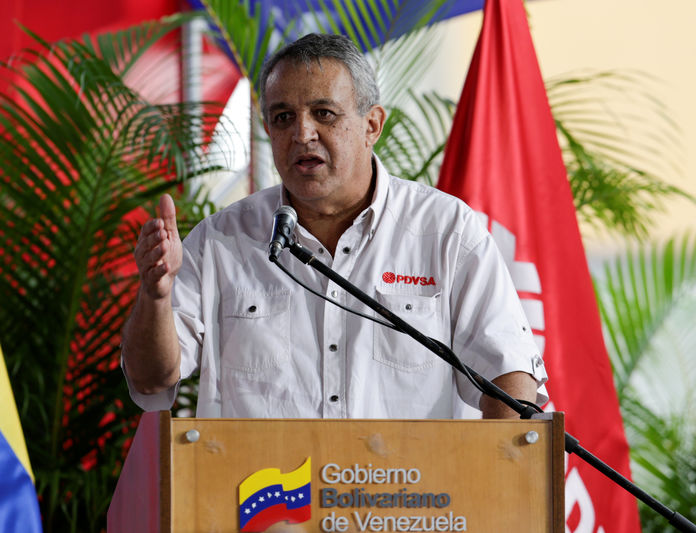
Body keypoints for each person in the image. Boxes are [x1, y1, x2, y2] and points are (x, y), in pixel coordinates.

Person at [121, 33, 547, 419]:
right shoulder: (220, 241)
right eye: (283, 117)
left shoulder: (445, 230)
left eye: (323, 113)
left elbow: (510, 379)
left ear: (372, 125)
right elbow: (151, 380)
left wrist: (491, 486)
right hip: (263, 500)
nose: (303, 133)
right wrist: (156, 296)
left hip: (410, 498)